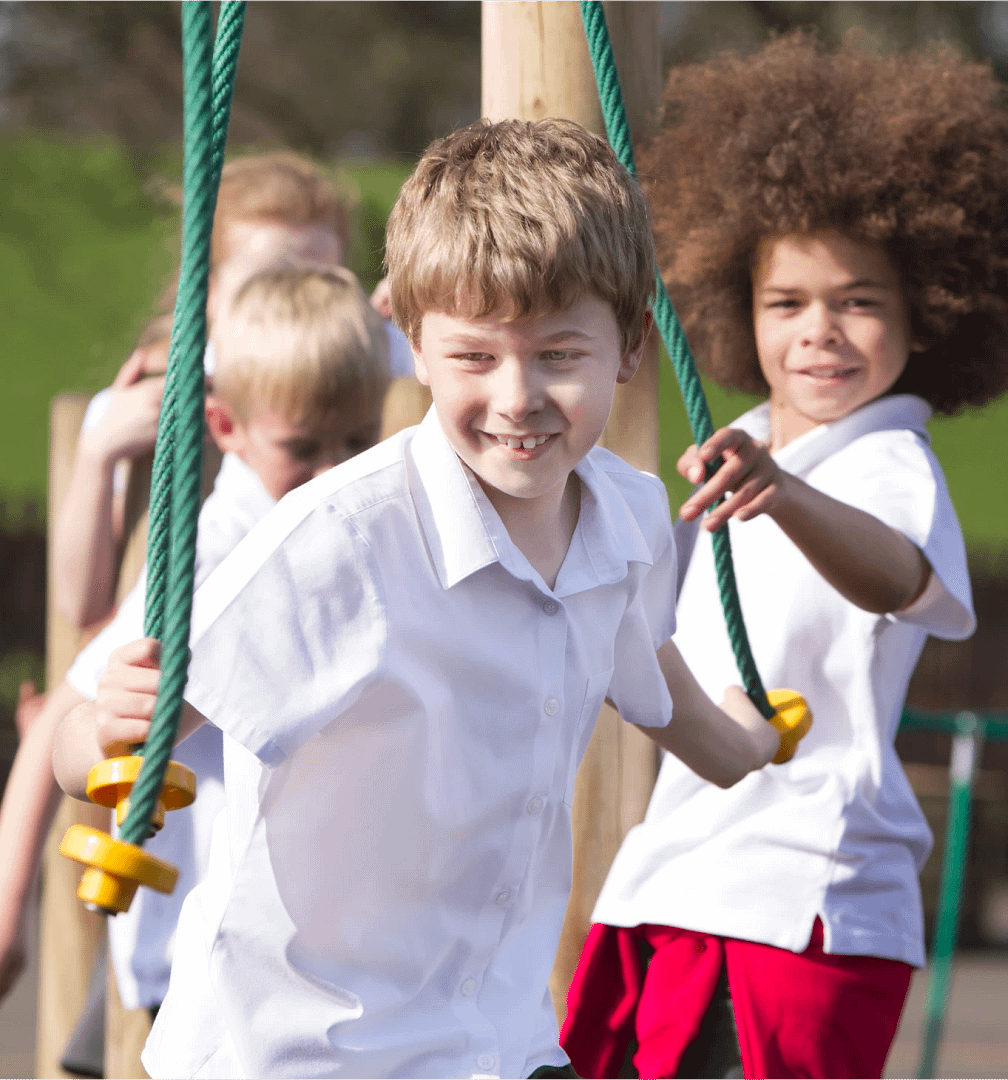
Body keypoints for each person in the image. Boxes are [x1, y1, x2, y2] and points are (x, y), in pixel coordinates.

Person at [52, 118, 803, 1080]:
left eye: (559, 355)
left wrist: (742, 743)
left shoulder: (624, 515)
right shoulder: (340, 545)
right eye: (475, 357)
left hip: (492, 1037)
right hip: (304, 1051)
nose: (518, 396)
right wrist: (101, 735)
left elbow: (640, 656)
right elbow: (100, 737)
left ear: (627, 344)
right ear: (412, 343)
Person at [559, 32, 1008, 1080]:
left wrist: (784, 494)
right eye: (785, 302)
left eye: (859, 301)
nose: (819, 333)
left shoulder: (884, 458)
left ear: (928, 311)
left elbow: (894, 572)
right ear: (734, 307)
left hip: (798, 903)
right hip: (672, 878)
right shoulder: (735, 447)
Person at [0, 262, 389, 1025]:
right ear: (224, 428)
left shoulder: (350, 521)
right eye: (304, 446)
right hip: (202, 948)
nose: (333, 471)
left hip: (309, 943)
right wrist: (9, 903)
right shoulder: (212, 557)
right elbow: (70, 717)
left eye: (359, 439)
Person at [52, 150, 413, 633]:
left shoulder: (380, 367)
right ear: (210, 290)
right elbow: (82, 608)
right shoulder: (158, 398)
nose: (295, 303)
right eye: (270, 282)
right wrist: (99, 456)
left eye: (322, 282)